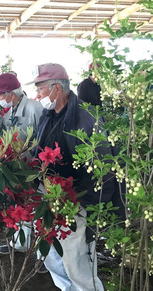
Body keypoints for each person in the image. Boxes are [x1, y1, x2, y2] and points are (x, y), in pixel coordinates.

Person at [29, 63, 124, 291]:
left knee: (78, 264)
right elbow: (39, 149)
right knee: (52, 256)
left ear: (56, 89)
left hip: (76, 202)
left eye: (40, 89)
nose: (37, 95)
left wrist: (88, 206)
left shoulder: (86, 118)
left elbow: (103, 167)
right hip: (49, 197)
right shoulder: (48, 114)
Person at [0, 72, 43, 257]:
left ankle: (43, 255)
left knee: (38, 207)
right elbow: (5, 131)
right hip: (18, 168)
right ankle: (21, 244)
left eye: (0, 95)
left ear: (11, 94)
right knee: (20, 205)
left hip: (35, 168)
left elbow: (44, 137)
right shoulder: (11, 110)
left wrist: (36, 161)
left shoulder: (34, 108)